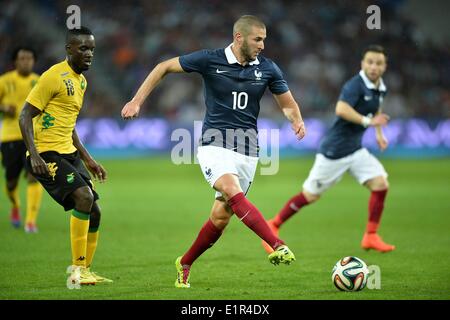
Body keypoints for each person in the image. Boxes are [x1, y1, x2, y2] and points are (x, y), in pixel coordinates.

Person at [122, 15, 306, 288]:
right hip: (214, 144)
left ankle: (184, 262)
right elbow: (163, 67)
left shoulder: (268, 68)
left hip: (248, 150)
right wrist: (137, 101)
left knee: (220, 217)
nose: (263, 45)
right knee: (232, 191)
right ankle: (276, 243)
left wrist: (296, 119)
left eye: (264, 39)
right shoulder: (210, 60)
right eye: (258, 39)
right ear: (239, 37)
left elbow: (287, 102)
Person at [263, 45, 395, 254]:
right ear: (363, 64)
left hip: (355, 149)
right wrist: (369, 122)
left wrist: (379, 134)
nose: (374, 66)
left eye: (378, 63)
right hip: (334, 151)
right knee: (310, 195)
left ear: (384, 66)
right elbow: (341, 109)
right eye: (370, 62)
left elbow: (376, 109)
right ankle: (274, 224)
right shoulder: (355, 85)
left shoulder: (380, 87)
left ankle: (371, 235)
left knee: (380, 184)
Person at [19, 27, 112, 286]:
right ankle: (76, 272)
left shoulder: (81, 81)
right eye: (83, 48)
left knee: (95, 212)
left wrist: (88, 159)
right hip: (47, 153)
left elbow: (68, 124)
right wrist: (34, 154)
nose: (89, 54)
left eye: (92, 49)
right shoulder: (53, 76)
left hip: (68, 153)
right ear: (69, 49)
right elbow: (25, 115)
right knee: (83, 197)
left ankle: (86, 270)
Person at [0, 47, 43, 232]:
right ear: (15, 61)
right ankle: (16, 205)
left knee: (35, 175)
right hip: (10, 136)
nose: (26, 62)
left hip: (33, 136)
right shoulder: (4, 80)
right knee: (11, 181)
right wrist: (2, 107)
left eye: (29, 58)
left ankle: (31, 221)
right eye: (22, 58)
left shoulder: (40, 80)